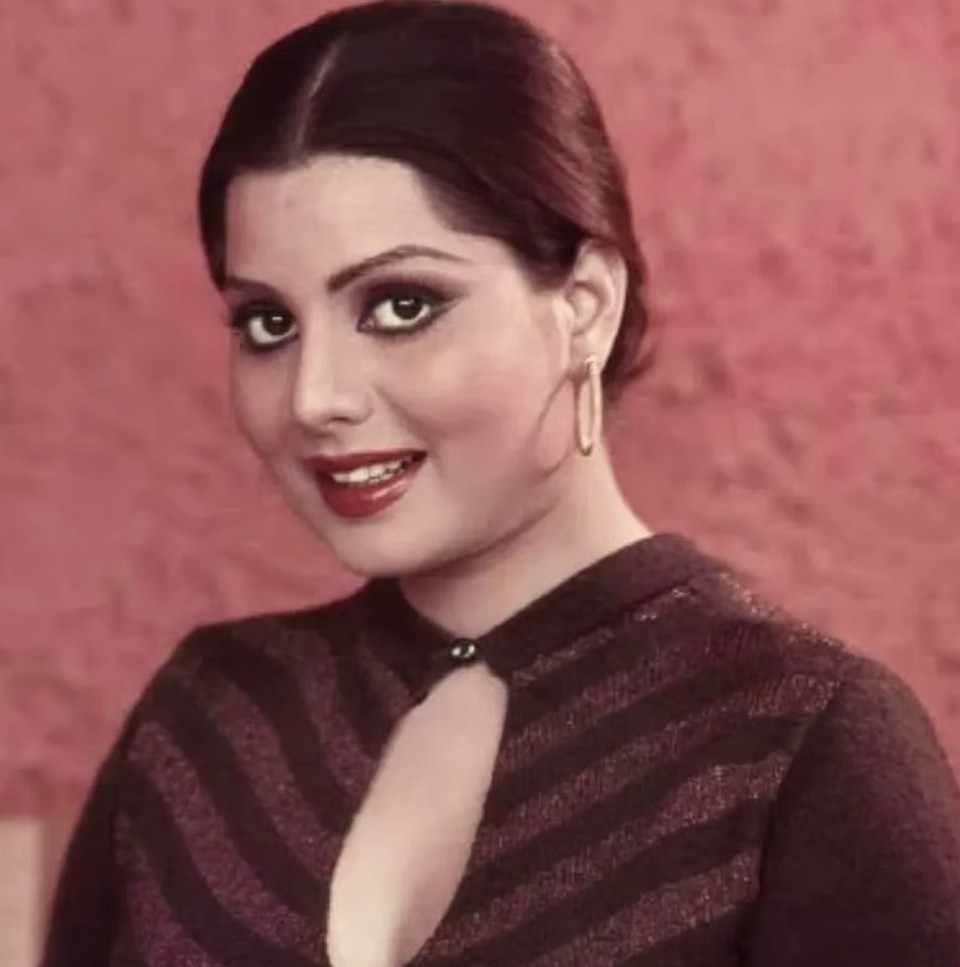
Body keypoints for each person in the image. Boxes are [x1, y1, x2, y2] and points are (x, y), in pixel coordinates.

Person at [41, 1, 960, 964]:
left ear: (586, 307)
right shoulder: (205, 724)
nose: (314, 397)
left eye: (401, 304)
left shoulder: (800, 741)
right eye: (269, 323)